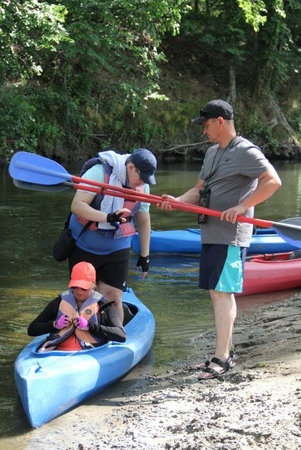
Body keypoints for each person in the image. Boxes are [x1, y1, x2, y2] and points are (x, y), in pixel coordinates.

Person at [158, 99, 282, 380]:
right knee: (216, 292)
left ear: (220, 122)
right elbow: (198, 190)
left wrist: (241, 207)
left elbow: (273, 181)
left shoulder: (246, 151)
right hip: (210, 232)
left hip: (230, 235)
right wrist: (177, 201)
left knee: (221, 293)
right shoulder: (213, 152)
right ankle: (224, 351)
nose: (203, 131)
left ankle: (222, 357)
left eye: (205, 125)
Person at [68, 148, 157, 323]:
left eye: (146, 180)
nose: (142, 184)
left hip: (117, 246)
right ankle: (76, 332)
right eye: (140, 177)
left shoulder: (143, 186)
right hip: (84, 244)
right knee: (83, 295)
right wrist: (107, 217)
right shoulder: (99, 173)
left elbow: (143, 220)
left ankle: (117, 336)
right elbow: (77, 206)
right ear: (131, 167)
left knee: (114, 296)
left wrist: (145, 255)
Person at [27, 261, 126, 352]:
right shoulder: (59, 302)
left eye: (84, 288)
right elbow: (32, 329)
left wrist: (90, 326)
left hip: (89, 352)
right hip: (55, 352)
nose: (78, 292)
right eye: (75, 287)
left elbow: (121, 335)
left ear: (93, 284)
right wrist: (54, 325)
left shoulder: (103, 305)